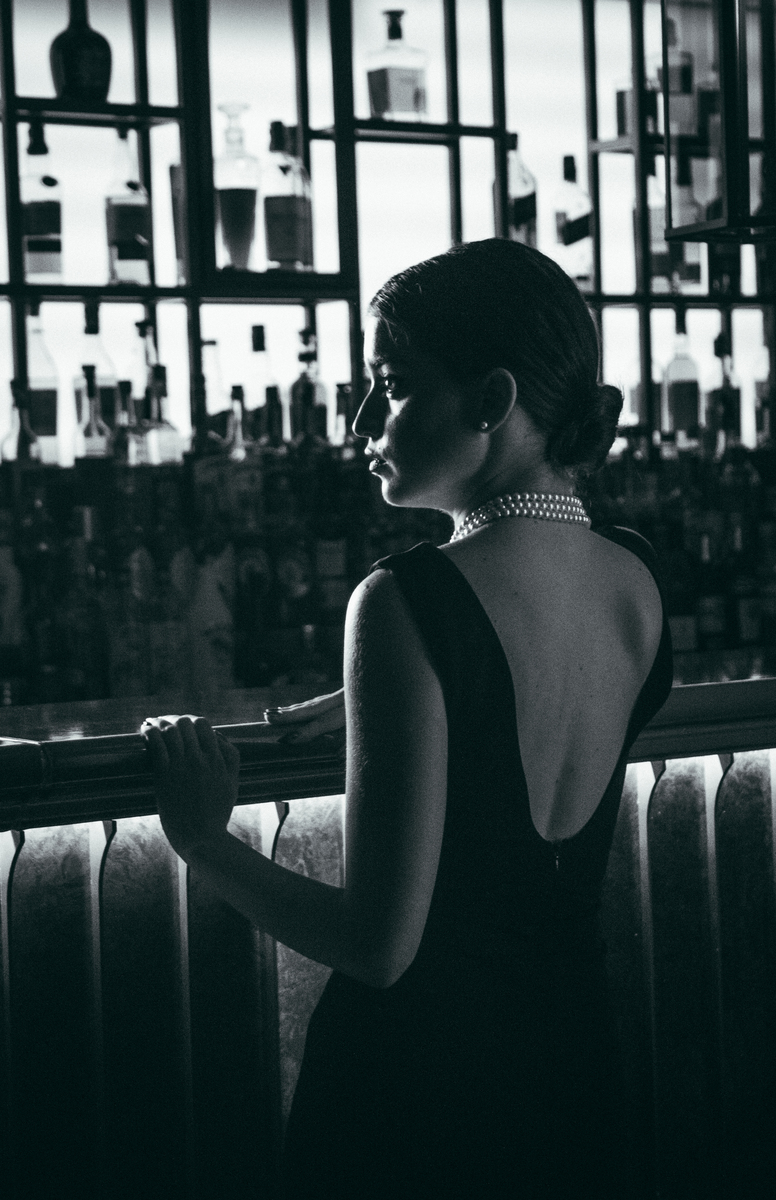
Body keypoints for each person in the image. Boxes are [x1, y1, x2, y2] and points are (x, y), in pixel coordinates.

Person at [142, 238, 672, 1199]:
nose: (360, 418)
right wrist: (388, 694)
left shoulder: (404, 599)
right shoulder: (634, 580)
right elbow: (524, 698)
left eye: (390, 385)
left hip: (418, 1095)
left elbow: (378, 949)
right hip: (572, 1074)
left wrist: (201, 840)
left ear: (491, 399)